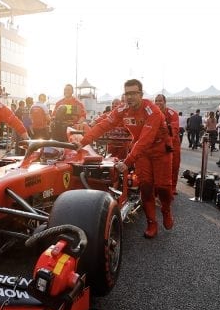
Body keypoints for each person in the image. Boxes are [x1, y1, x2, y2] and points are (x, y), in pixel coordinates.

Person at [74, 79, 173, 239]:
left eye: (134, 93)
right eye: (127, 93)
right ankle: (151, 223)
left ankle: (166, 210)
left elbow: (145, 140)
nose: (130, 97)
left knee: (163, 188)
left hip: (160, 151)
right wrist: (83, 141)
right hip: (142, 153)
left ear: (141, 94)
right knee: (146, 187)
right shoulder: (123, 109)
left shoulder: (152, 111)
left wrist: (127, 162)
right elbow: (104, 125)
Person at [155, 93, 181, 196]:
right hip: (158, 145)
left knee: (174, 166)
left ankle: (172, 188)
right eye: (156, 101)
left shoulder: (172, 113)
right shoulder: (153, 114)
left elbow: (174, 129)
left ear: (165, 102)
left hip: (173, 144)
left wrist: (168, 143)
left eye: (160, 100)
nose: (158, 103)